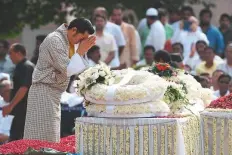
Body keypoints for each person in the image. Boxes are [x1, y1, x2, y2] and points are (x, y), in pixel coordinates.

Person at [24, 18, 96, 142]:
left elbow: (79, 68)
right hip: (43, 92)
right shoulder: (55, 40)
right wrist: (81, 50)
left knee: (51, 138)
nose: (81, 42)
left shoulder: (69, 42)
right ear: (73, 30)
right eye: (81, 38)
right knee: (42, 139)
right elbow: (67, 69)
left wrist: (82, 51)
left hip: (54, 94)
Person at [2, 44, 34, 141]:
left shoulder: (26, 67)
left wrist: (10, 106)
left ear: (18, 53)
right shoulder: (19, 67)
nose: (9, 56)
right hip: (18, 109)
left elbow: (24, 88)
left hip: (24, 109)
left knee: (17, 139)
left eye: (11, 53)